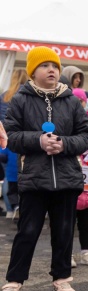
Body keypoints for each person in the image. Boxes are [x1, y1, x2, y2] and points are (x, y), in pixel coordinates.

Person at [0, 46, 88, 291]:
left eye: (55, 65)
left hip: (67, 179)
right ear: (33, 71)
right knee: (27, 231)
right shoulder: (21, 99)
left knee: (63, 231)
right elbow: (11, 137)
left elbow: (86, 136)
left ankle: (61, 280)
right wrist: (38, 141)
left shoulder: (72, 101)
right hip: (34, 179)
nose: (51, 69)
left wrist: (64, 144)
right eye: (44, 65)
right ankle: (13, 283)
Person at [0, 69, 28, 220]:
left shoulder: (4, 96)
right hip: (25, 138)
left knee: (8, 176)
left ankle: (11, 208)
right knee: (26, 173)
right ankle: (24, 207)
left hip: (6, 140)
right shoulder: (30, 95)